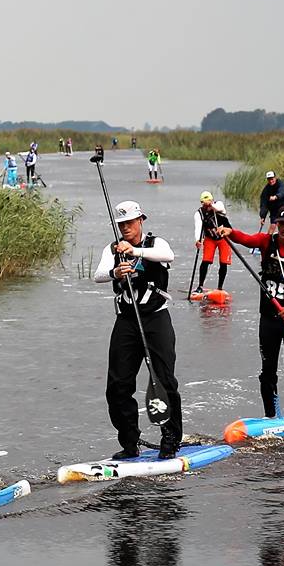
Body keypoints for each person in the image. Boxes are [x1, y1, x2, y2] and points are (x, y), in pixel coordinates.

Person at [92, 199, 182, 459]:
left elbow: (168, 256)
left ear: (141, 220)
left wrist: (135, 252)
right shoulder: (112, 249)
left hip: (156, 319)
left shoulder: (156, 244)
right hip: (127, 322)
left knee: (165, 381)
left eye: (130, 223)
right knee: (117, 386)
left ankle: (171, 439)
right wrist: (115, 272)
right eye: (121, 224)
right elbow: (97, 275)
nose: (125, 228)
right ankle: (130, 442)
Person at [211, 207, 284, 418]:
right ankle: (271, 416)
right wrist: (229, 232)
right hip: (269, 317)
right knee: (267, 371)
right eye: (281, 224)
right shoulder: (267, 242)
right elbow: (246, 239)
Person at [193, 191, 232, 293]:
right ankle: (200, 286)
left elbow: (219, 208)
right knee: (206, 261)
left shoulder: (218, 205)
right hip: (210, 239)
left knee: (223, 262)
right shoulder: (199, 213)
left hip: (224, 238)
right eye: (205, 203)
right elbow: (198, 227)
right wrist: (198, 240)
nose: (207, 205)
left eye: (209, 201)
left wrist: (211, 205)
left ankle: (220, 288)